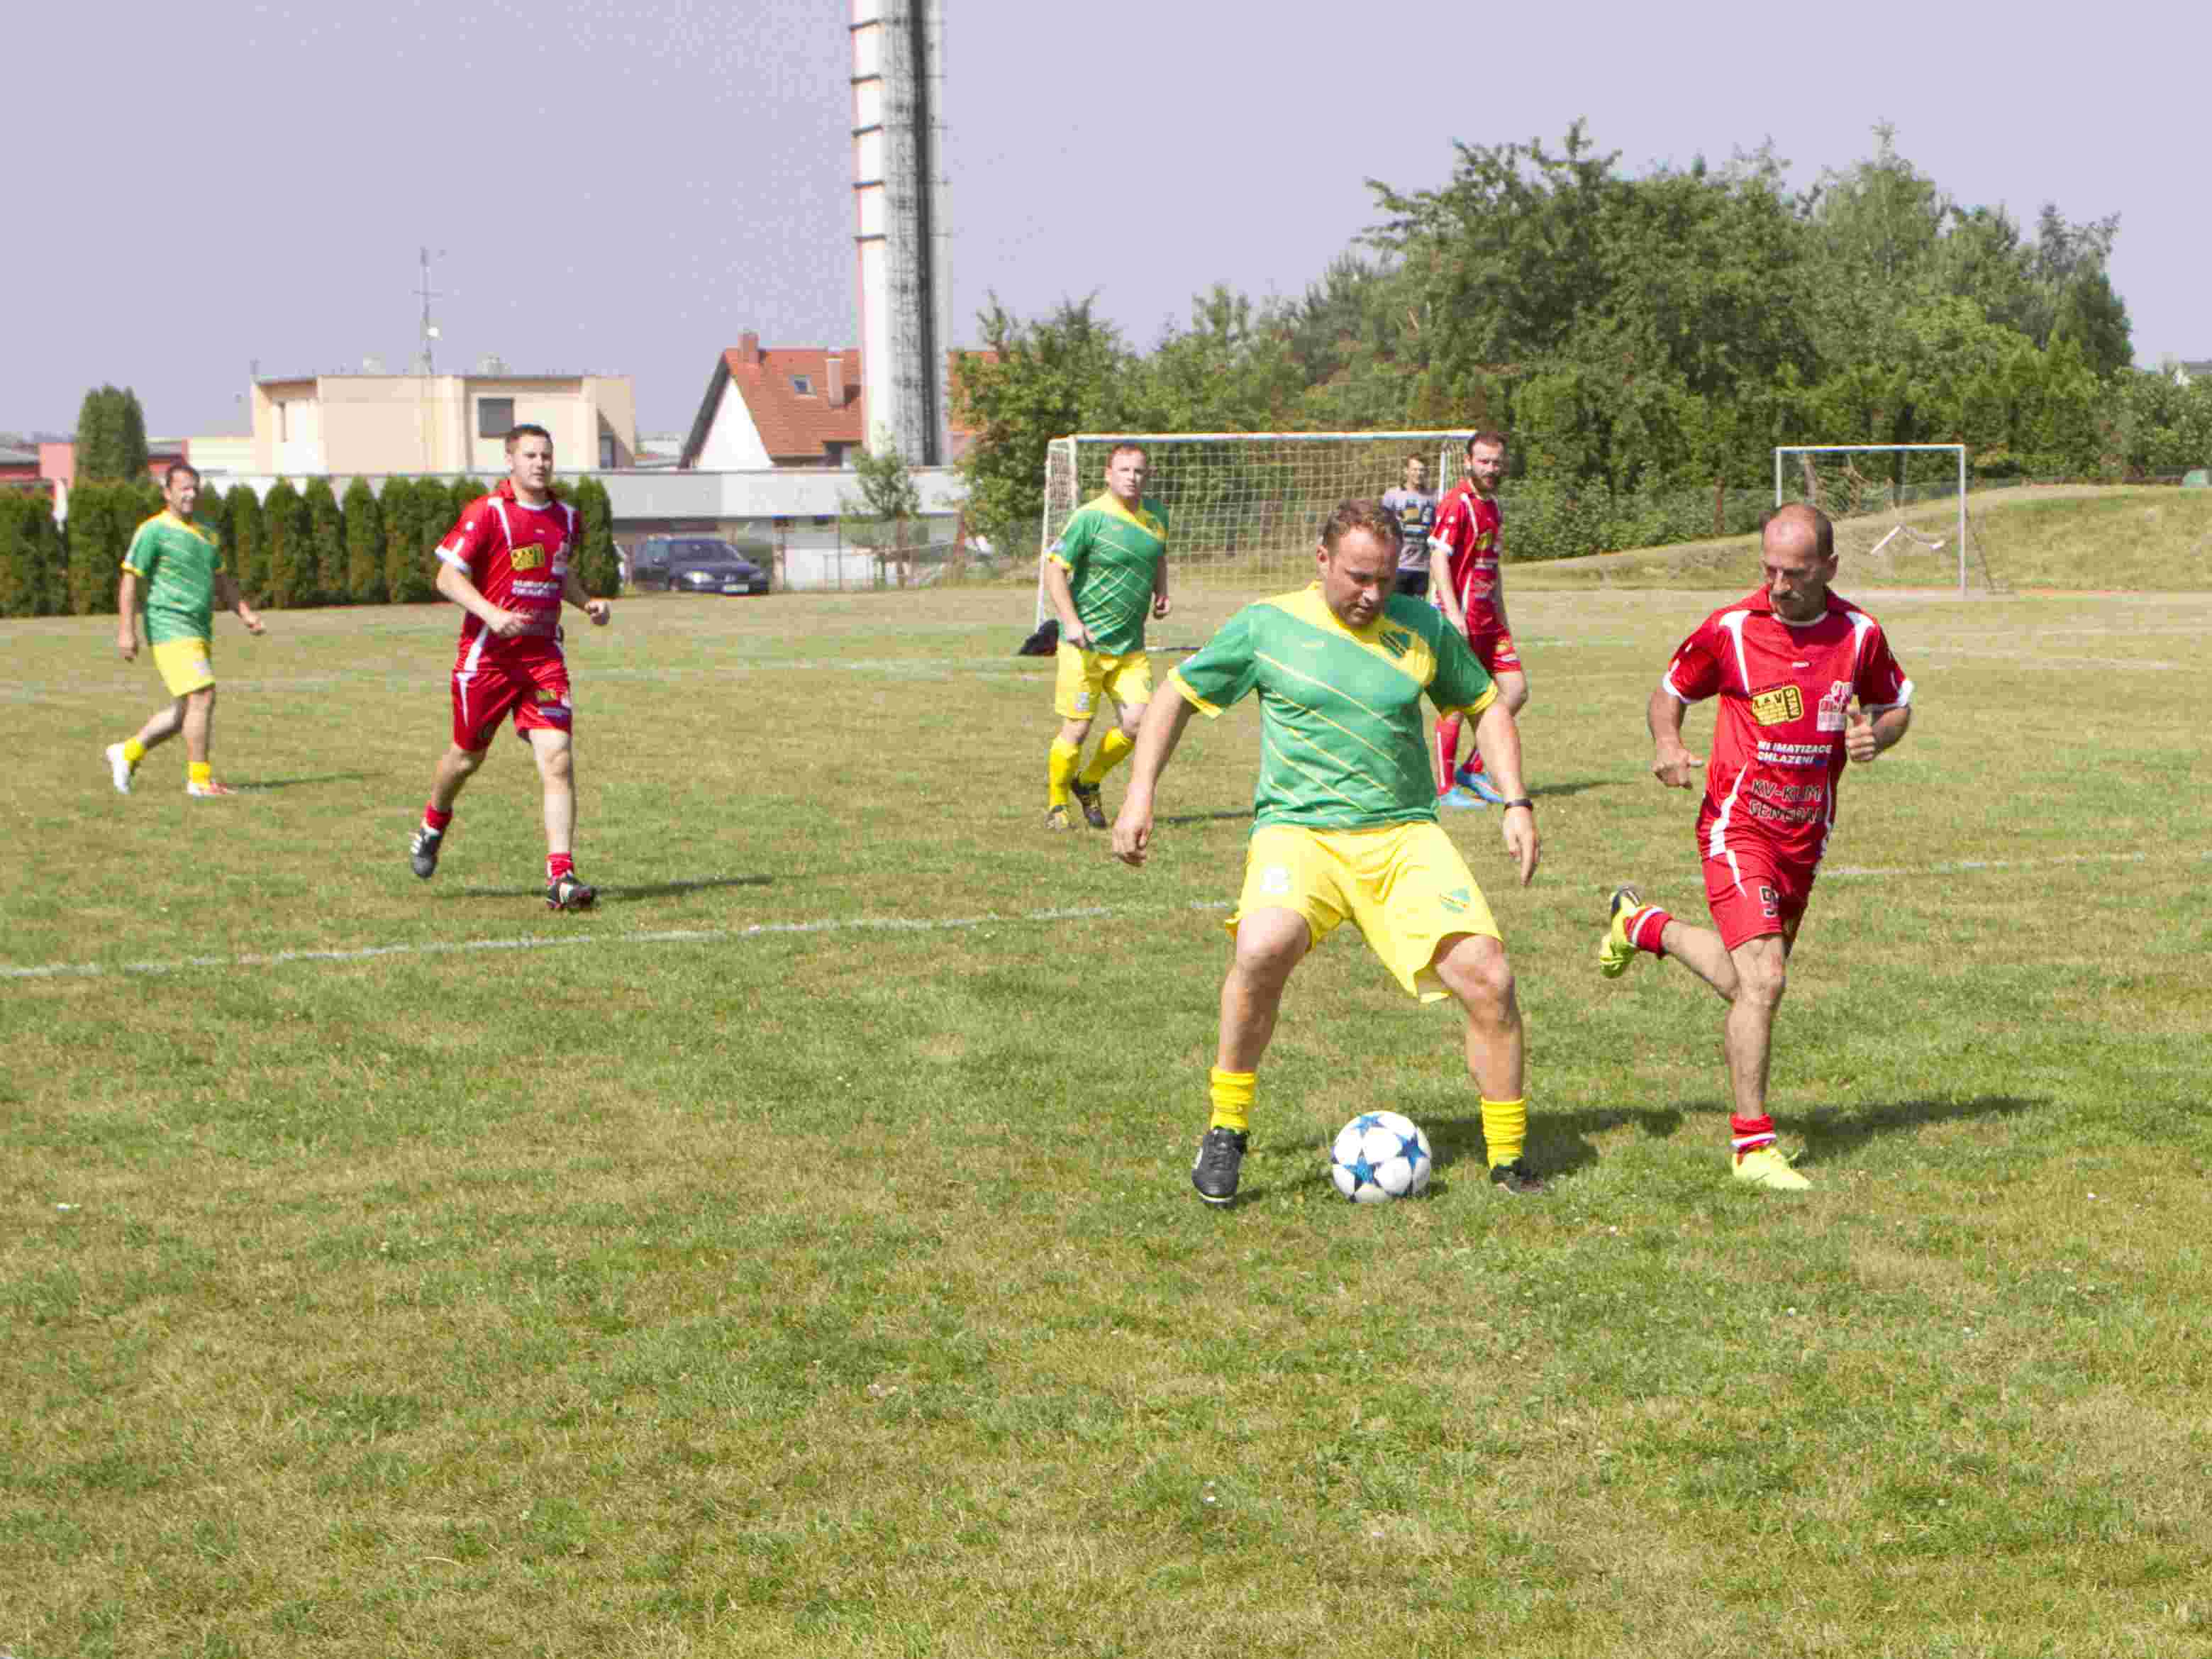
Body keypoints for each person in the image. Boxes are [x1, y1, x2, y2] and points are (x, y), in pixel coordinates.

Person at [1112, 499, 1547, 1205]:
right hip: (1299, 832)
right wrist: (1139, 793)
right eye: (1355, 578)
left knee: (1488, 975)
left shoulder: (1422, 626)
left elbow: (1485, 705)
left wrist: (1516, 800)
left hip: (1402, 834)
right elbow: (1175, 696)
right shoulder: (1266, 624)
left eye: (1382, 579)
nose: (1371, 595)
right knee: (1260, 947)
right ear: (1320, 561)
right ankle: (1226, 1130)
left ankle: (1506, 1159)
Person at [1599, 503, 1914, 1191]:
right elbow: (1668, 691)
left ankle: (1643, 924)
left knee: (1747, 985)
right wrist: (1665, 741)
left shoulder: (1859, 634)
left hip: (1806, 836)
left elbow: (1895, 705)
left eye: (1794, 573)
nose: (1776, 585)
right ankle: (1751, 1146)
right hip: (1735, 827)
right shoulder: (1731, 629)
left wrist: (1876, 736)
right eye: (1768, 569)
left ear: (1828, 567)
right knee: (1765, 980)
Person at [406, 424, 612, 911]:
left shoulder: (566, 516)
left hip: (542, 658)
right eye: (529, 455)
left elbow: (560, 574)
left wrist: (586, 604)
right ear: (510, 461)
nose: (539, 463)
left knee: (558, 757)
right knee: (465, 758)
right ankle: (434, 820)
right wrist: (493, 615)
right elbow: (446, 576)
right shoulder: (488, 512)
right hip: (487, 660)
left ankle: (560, 876)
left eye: (546, 455)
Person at [105, 462, 266, 797]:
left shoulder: (208, 535)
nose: (190, 493)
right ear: (167, 493)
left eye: (195, 487)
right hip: (168, 626)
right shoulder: (153, 531)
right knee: (203, 695)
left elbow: (223, 583)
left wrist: (247, 614)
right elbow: (130, 578)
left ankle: (127, 752)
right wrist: (126, 630)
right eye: (183, 488)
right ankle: (200, 780)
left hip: (199, 629)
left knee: (186, 712)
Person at [1039, 442, 1171, 831]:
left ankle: (1090, 781)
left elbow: (1159, 555)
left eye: (1139, 471)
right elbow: (1054, 570)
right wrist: (1071, 622)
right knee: (1077, 729)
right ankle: (1057, 805)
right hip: (1085, 648)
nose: (1133, 478)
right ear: (1108, 475)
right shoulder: (1089, 518)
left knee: (1138, 724)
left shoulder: (1157, 516)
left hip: (1130, 648)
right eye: (1125, 470)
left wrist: (1161, 592)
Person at [1428, 431, 1528, 808]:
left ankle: (1473, 767)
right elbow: (1438, 559)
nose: (1490, 468)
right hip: (1461, 619)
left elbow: (1493, 566)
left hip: (1490, 620)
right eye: (1483, 461)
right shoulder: (1457, 503)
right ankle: (1443, 788)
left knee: (1515, 691)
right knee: (1455, 701)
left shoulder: (1494, 505)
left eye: (1496, 462)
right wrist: (1453, 615)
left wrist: (1502, 615)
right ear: (1468, 462)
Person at [1379, 453, 1438, 601]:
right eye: (1415, 469)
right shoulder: (1393, 495)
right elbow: (1381, 526)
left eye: (1422, 470)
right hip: (1399, 565)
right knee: (1395, 611)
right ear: (1406, 471)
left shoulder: (1433, 497)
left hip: (1422, 567)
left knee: (1417, 614)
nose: (1419, 474)